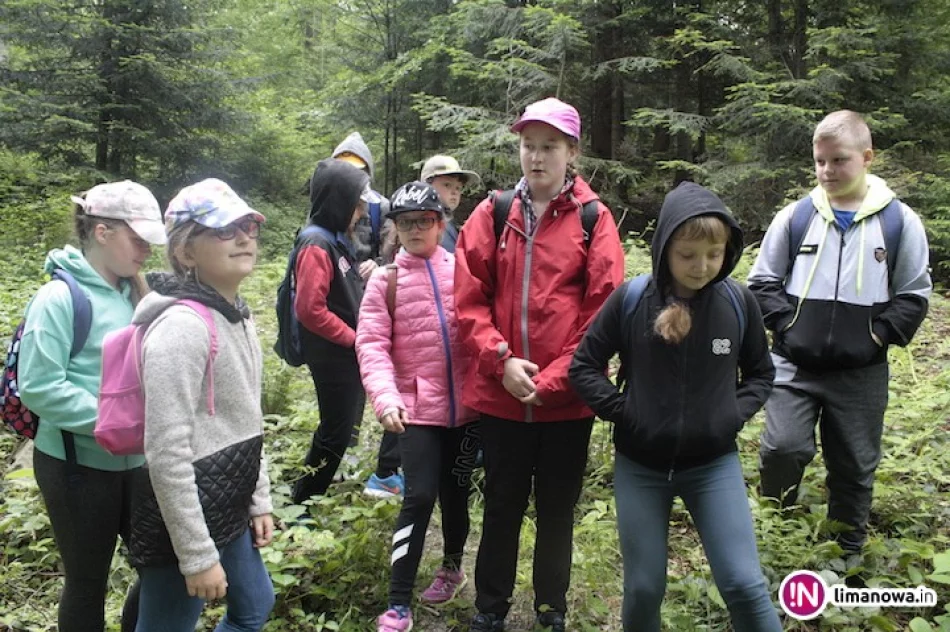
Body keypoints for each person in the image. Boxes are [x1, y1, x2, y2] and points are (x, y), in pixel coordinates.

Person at [570, 182, 783, 632]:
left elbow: (761, 375)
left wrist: (730, 414)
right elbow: (585, 366)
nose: (702, 266)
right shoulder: (631, 300)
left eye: (714, 253)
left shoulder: (738, 303)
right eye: (688, 254)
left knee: (744, 584)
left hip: (713, 466)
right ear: (665, 247)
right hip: (641, 467)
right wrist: (626, 412)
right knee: (645, 587)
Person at [454, 97, 625, 632]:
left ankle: (552, 607)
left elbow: (604, 312)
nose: (537, 156)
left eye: (549, 147)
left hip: (566, 405)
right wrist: (502, 362)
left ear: (571, 152)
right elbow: (468, 300)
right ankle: (490, 609)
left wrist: (553, 381)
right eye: (529, 145)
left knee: (556, 512)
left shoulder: (595, 220)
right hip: (503, 396)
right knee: (501, 506)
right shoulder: (494, 212)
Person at [748, 110, 932, 554]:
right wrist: (787, 326)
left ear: (867, 157)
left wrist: (874, 338)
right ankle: (777, 531)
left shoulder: (899, 222)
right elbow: (762, 283)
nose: (827, 171)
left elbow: (914, 295)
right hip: (794, 364)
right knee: (782, 450)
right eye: (820, 161)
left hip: (861, 372)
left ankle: (847, 547)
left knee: (853, 463)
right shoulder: (795, 217)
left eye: (839, 160)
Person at [17, 180, 166, 632]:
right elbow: (39, 387)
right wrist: (117, 423)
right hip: (76, 468)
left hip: (138, 463)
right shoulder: (59, 299)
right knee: (87, 582)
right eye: (136, 238)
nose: (145, 249)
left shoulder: (138, 296)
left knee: (161, 568)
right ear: (102, 232)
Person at [129, 178, 275, 630]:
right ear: (185, 252)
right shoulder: (180, 329)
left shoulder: (238, 316)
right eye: (223, 229)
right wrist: (195, 557)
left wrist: (260, 498)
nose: (244, 236)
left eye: (248, 225)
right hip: (186, 515)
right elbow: (167, 453)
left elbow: (247, 419)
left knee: (254, 606)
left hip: (229, 497)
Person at [356, 181, 480, 632]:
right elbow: (371, 346)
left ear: (440, 223)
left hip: (468, 412)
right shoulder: (385, 282)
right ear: (395, 229)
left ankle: (451, 568)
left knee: (456, 494)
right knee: (420, 494)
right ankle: (398, 603)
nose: (414, 229)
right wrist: (386, 398)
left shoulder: (464, 271)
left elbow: (483, 329)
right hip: (416, 410)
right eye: (405, 223)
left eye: (423, 221)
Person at [291, 159, 375, 503]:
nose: (360, 212)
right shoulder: (316, 244)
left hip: (343, 352)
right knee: (335, 433)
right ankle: (304, 502)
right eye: (355, 204)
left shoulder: (335, 239)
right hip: (332, 354)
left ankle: (308, 497)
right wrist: (353, 339)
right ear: (338, 201)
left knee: (337, 429)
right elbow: (310, 310)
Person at [328, 132, 404, 498]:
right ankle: (342, 450)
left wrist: (380, 266)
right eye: (343, 166)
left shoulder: (381, 206)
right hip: (338, 300)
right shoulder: (324, 209)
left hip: (369, 295)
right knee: (342, 378)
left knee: (365, 370)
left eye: (356, 167)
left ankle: (353, 450)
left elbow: (394, 249)